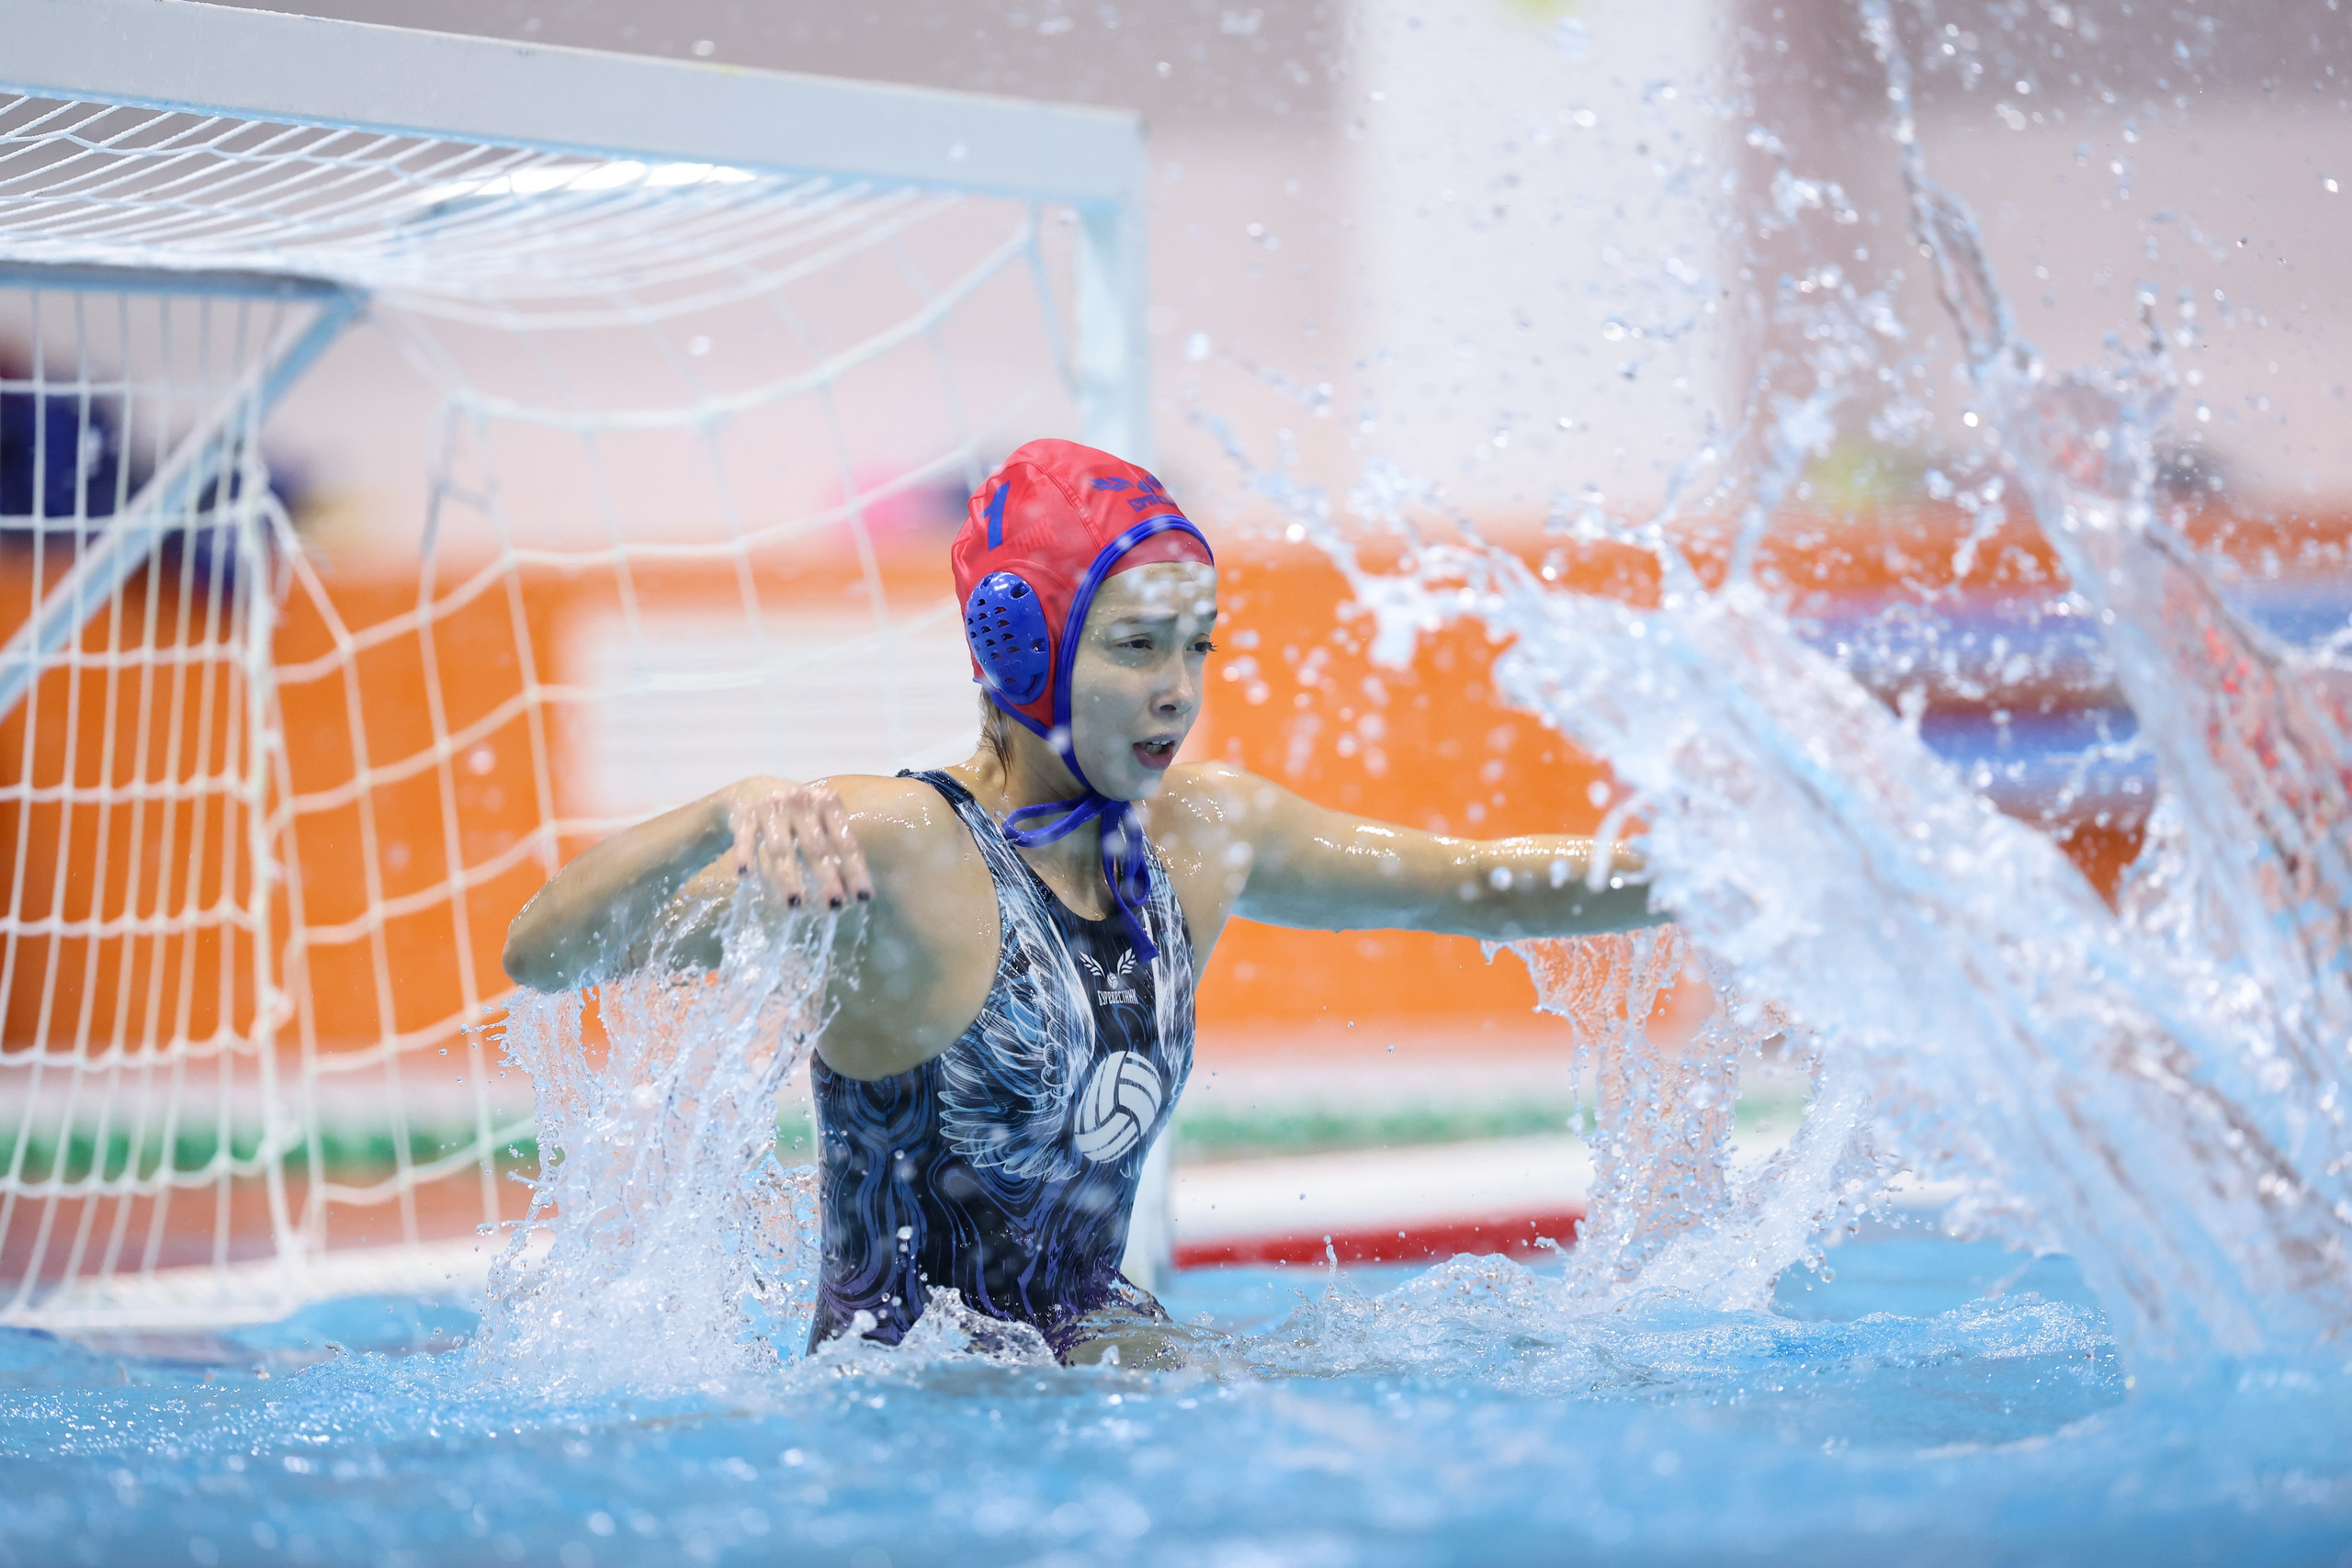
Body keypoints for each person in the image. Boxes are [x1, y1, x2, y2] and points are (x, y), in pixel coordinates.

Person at [502, 438, 1666, 1367]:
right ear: (1021, 645)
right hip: (915, 1417)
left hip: (1112, 1367)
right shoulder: (903, 850)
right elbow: (548, 956)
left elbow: (1473, 887)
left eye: (1197, 649)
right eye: (1136, 647)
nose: (1177, 692)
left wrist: (1717, 878)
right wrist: (719, 813)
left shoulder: (1200, 837)